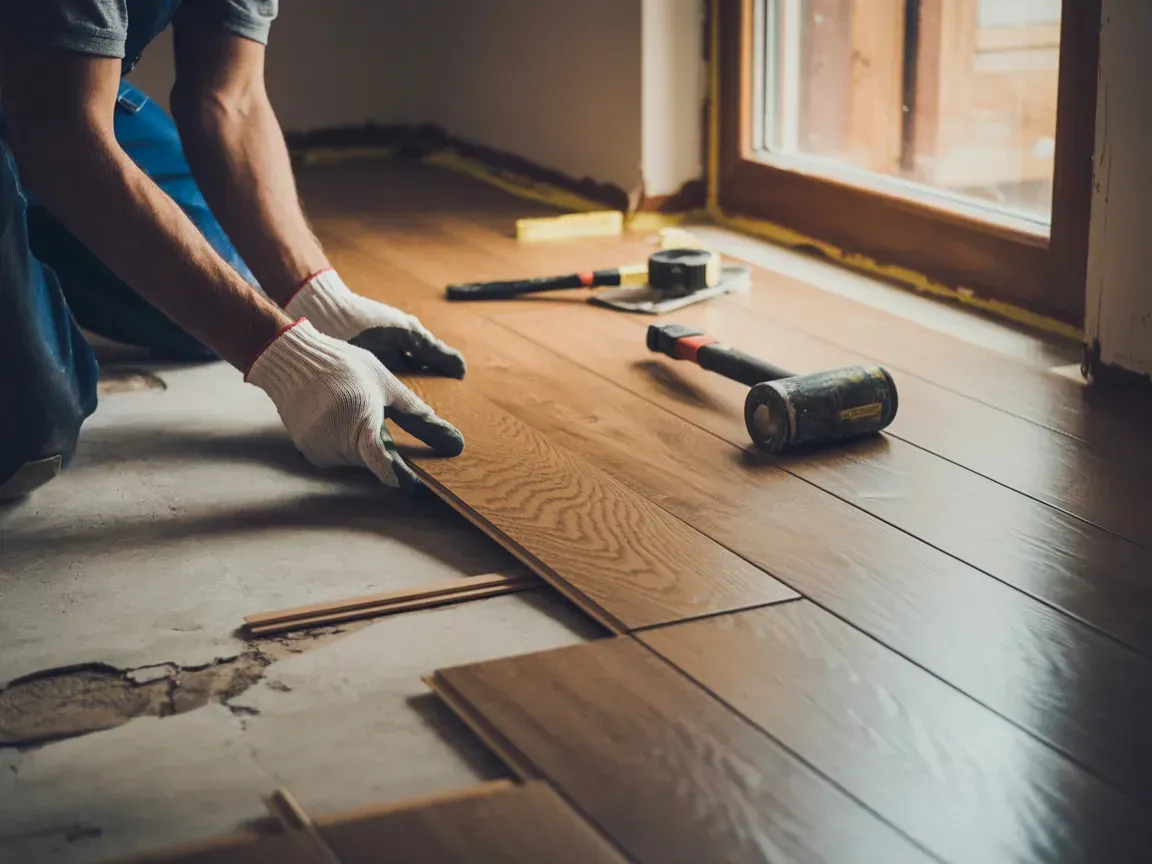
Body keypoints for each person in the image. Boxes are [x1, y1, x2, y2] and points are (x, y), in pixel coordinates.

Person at [0, 1, 466, 501]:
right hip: (53, 105)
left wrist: (320, 301)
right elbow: (63, 139)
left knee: (232, 288)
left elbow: (230, 98)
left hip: (59, 80)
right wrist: (291, 363)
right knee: (27, 439)